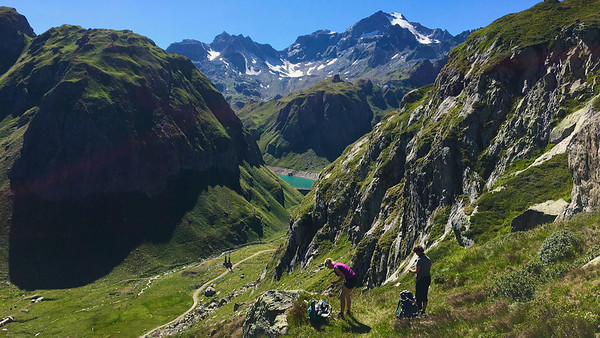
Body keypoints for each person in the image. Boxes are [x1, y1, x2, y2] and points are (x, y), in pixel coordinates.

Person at [409, 244, 431, 316]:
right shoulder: (428, 259)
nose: (416, 254)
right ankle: (423, 310)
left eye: (416, 252)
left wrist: (411, 270)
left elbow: (417, 271)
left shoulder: (419, 260)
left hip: (421, 279)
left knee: (418, 296)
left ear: (418, 252)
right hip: (427, 278)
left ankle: (419, 310)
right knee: (424, 294)